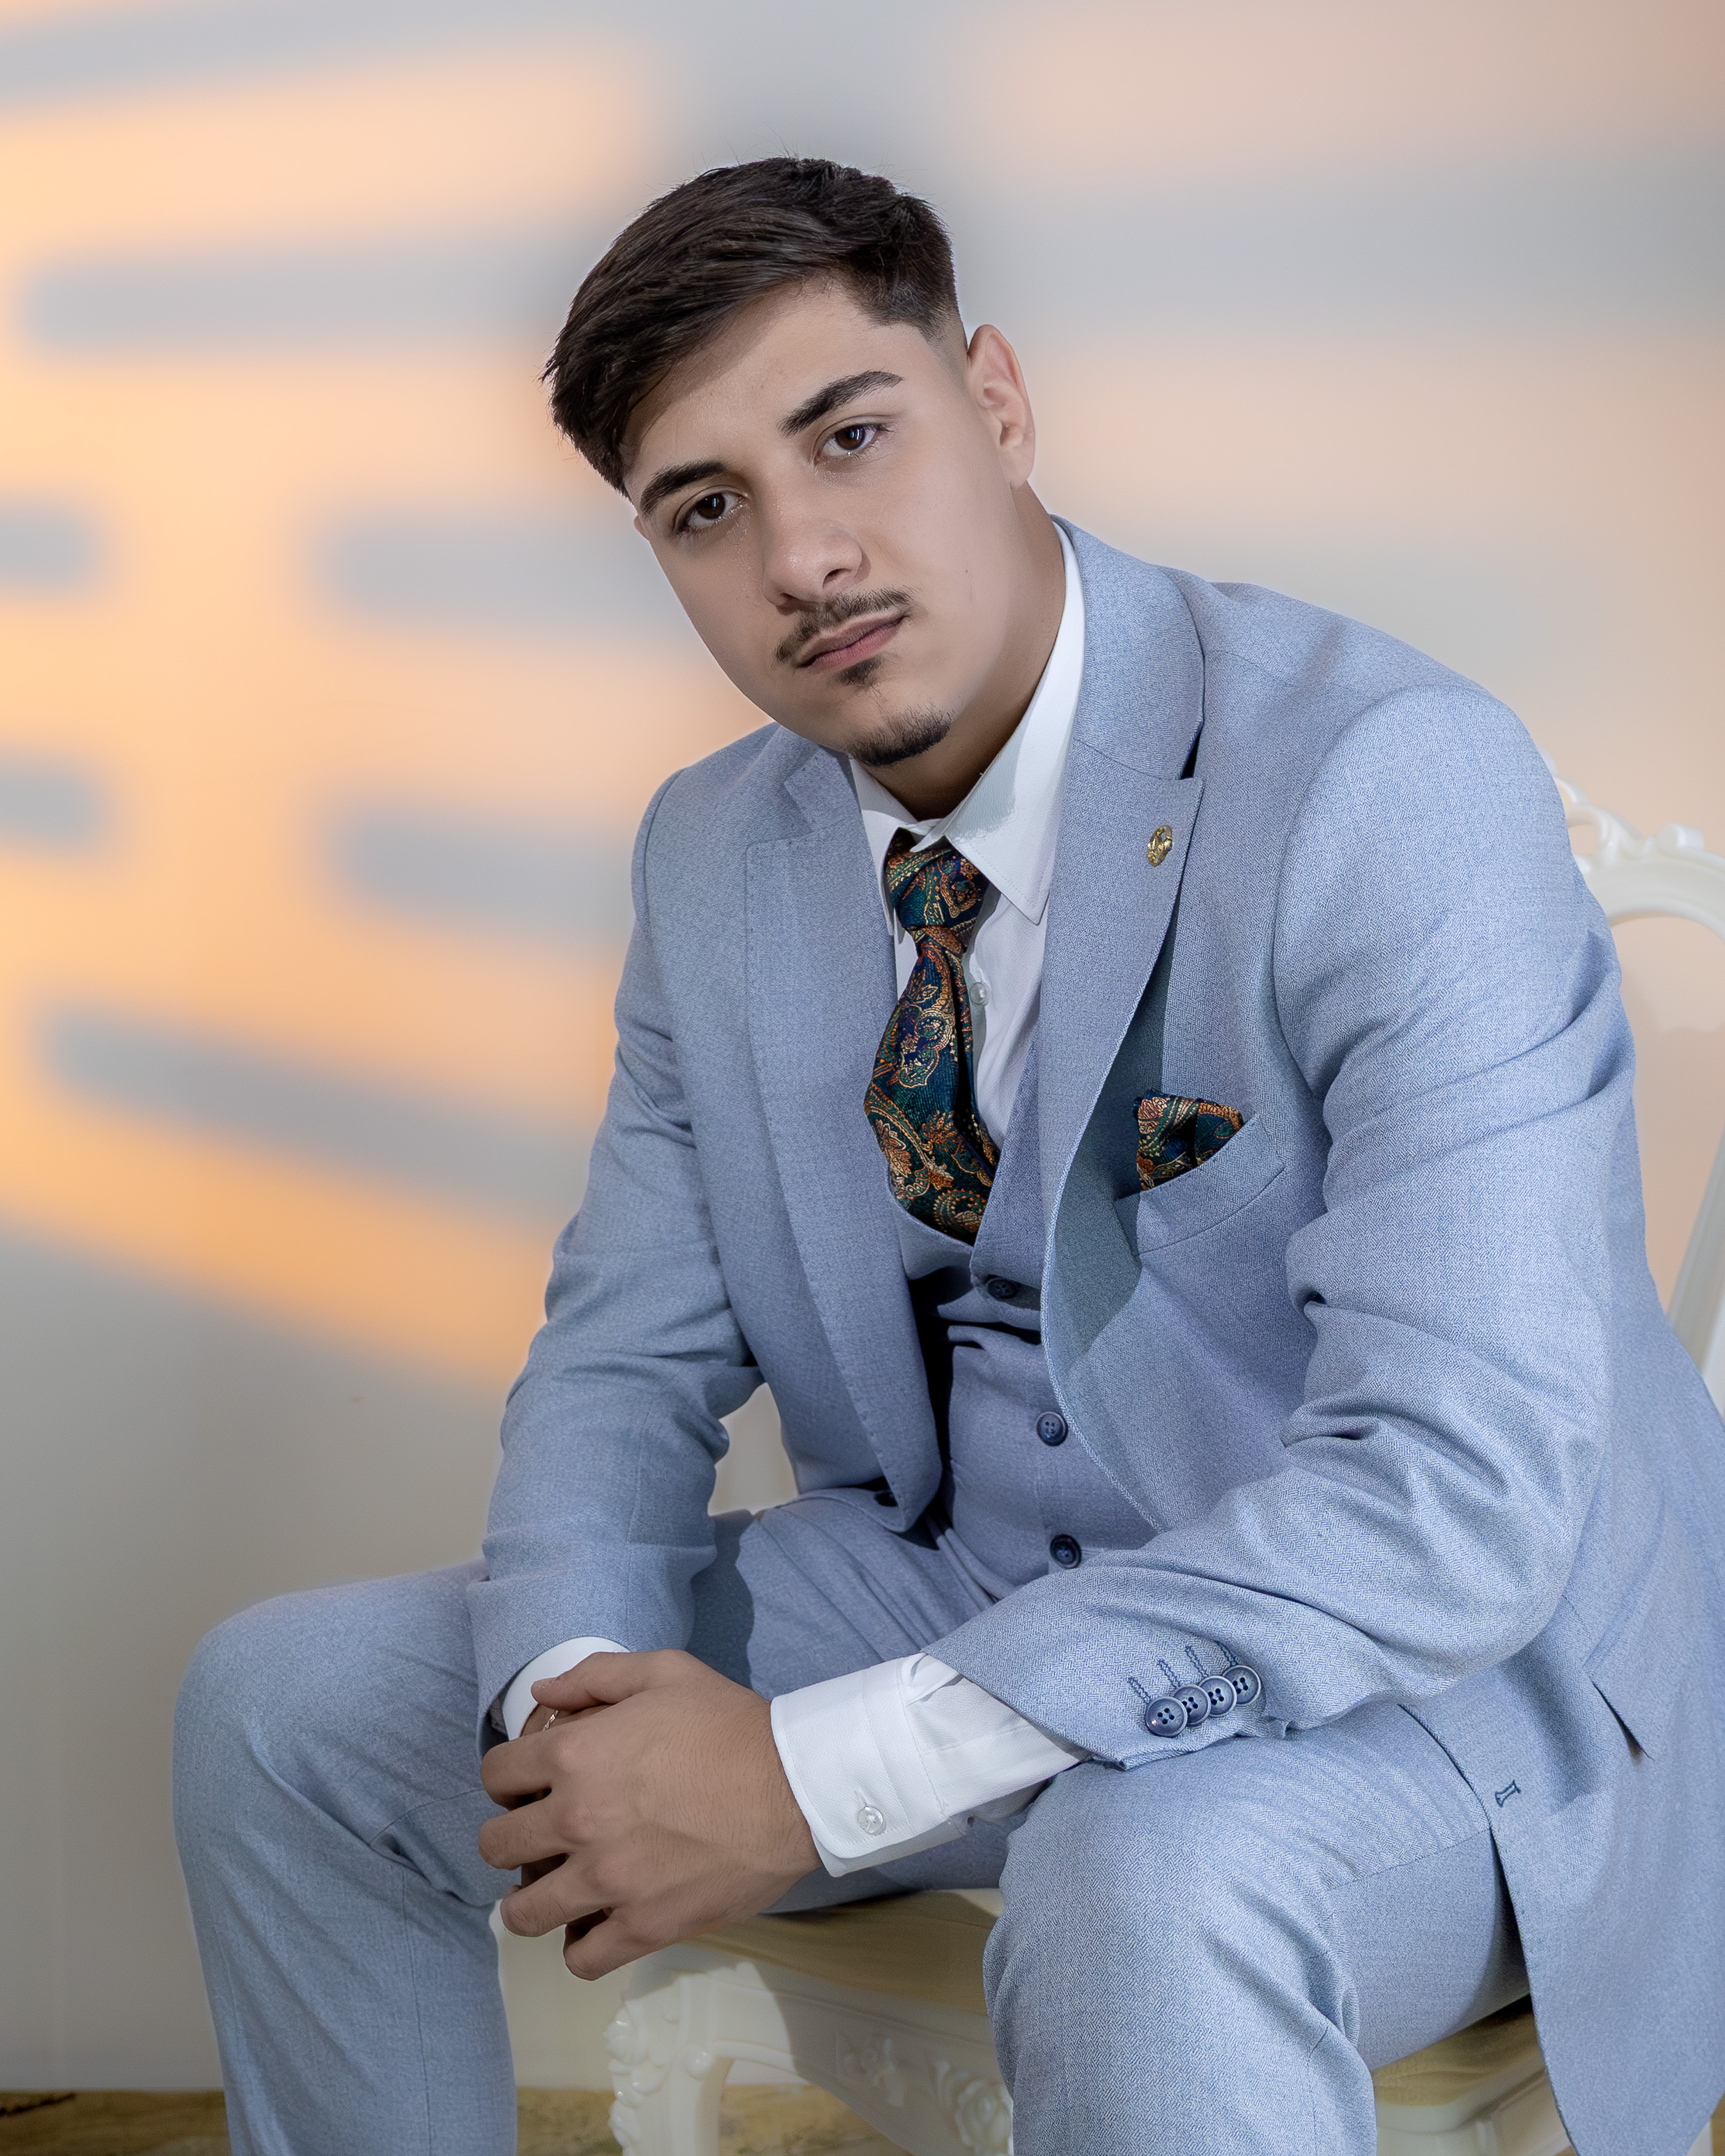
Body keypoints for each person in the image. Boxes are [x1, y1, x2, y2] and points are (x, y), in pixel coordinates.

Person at [173, 158, 1725, 2156]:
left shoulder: (1378, 778)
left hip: (1427, 1676)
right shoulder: (713, 850)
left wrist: (809, 1777)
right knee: (281, 1711)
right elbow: (623, 1355)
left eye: (851, 436)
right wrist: (589, 1706)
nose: (805, 558)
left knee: (1140, 1877)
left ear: (993, 397)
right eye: (706, 509)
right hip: (961, 1575)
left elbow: (1453, 1500)